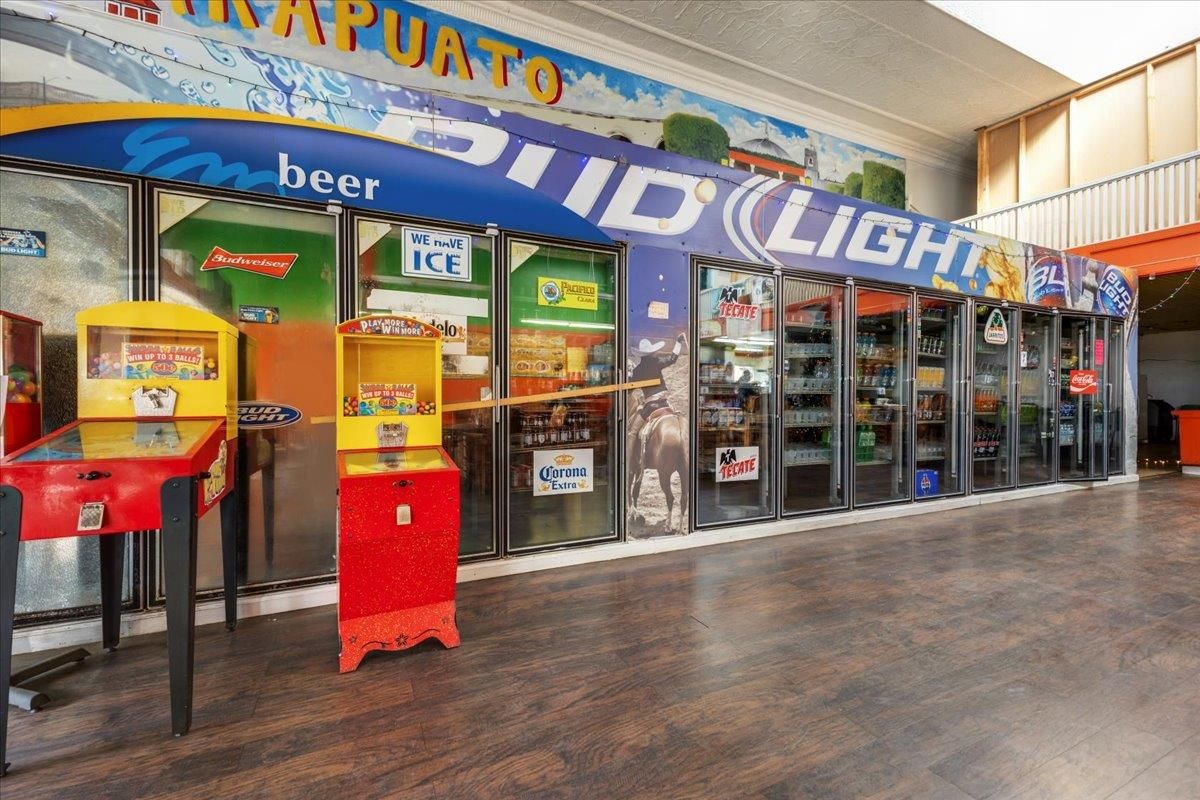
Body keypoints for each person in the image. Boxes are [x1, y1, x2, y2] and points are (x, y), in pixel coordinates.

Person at [627, 332, 686, 462]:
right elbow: (672, 358)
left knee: (632, 432)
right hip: (664, 403)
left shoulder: (638, 370)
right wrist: (678, 342)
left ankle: (629, 463)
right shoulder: (657, 362)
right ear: (652, 352)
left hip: (650, 406)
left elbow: (629, 389)